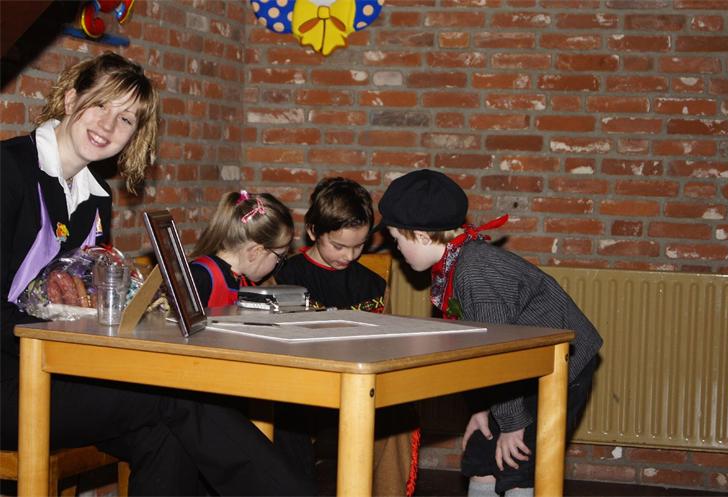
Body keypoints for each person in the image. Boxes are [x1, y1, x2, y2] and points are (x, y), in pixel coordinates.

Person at [0, 52, 313, 496]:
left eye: (126, 119)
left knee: (169, 434)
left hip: (54, 370)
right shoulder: (8, 170)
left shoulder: (97, 197)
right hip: (9, 380)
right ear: (70, 100)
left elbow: (81, 300)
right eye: (100, 104)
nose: (108, 125)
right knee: (175, 396)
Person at [378, 169, 603, 497]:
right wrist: (481, 408)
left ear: (422, 236)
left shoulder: (476, 271)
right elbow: (479, 351)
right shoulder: (455, 264)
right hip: (517, 371)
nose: (397, 250)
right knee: (481, 455)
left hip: (557, 368)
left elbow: (500, 353)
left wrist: (512, 424)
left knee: (517, 462)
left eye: (398, 240)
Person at [275, 177, 420, 497]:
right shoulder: (285, 276)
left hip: (357, 384)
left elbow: (386, 342)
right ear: (313, 231)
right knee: (281, 418)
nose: (349, 256)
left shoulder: (372, 284)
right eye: (339, 246)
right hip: (301, 385)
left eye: (359, 246)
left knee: (399, 411)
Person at [189, 190, 293, 307]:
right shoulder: (201, 277)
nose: (277, 264)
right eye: (279, 257)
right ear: (256, 252)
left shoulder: (241, 280)